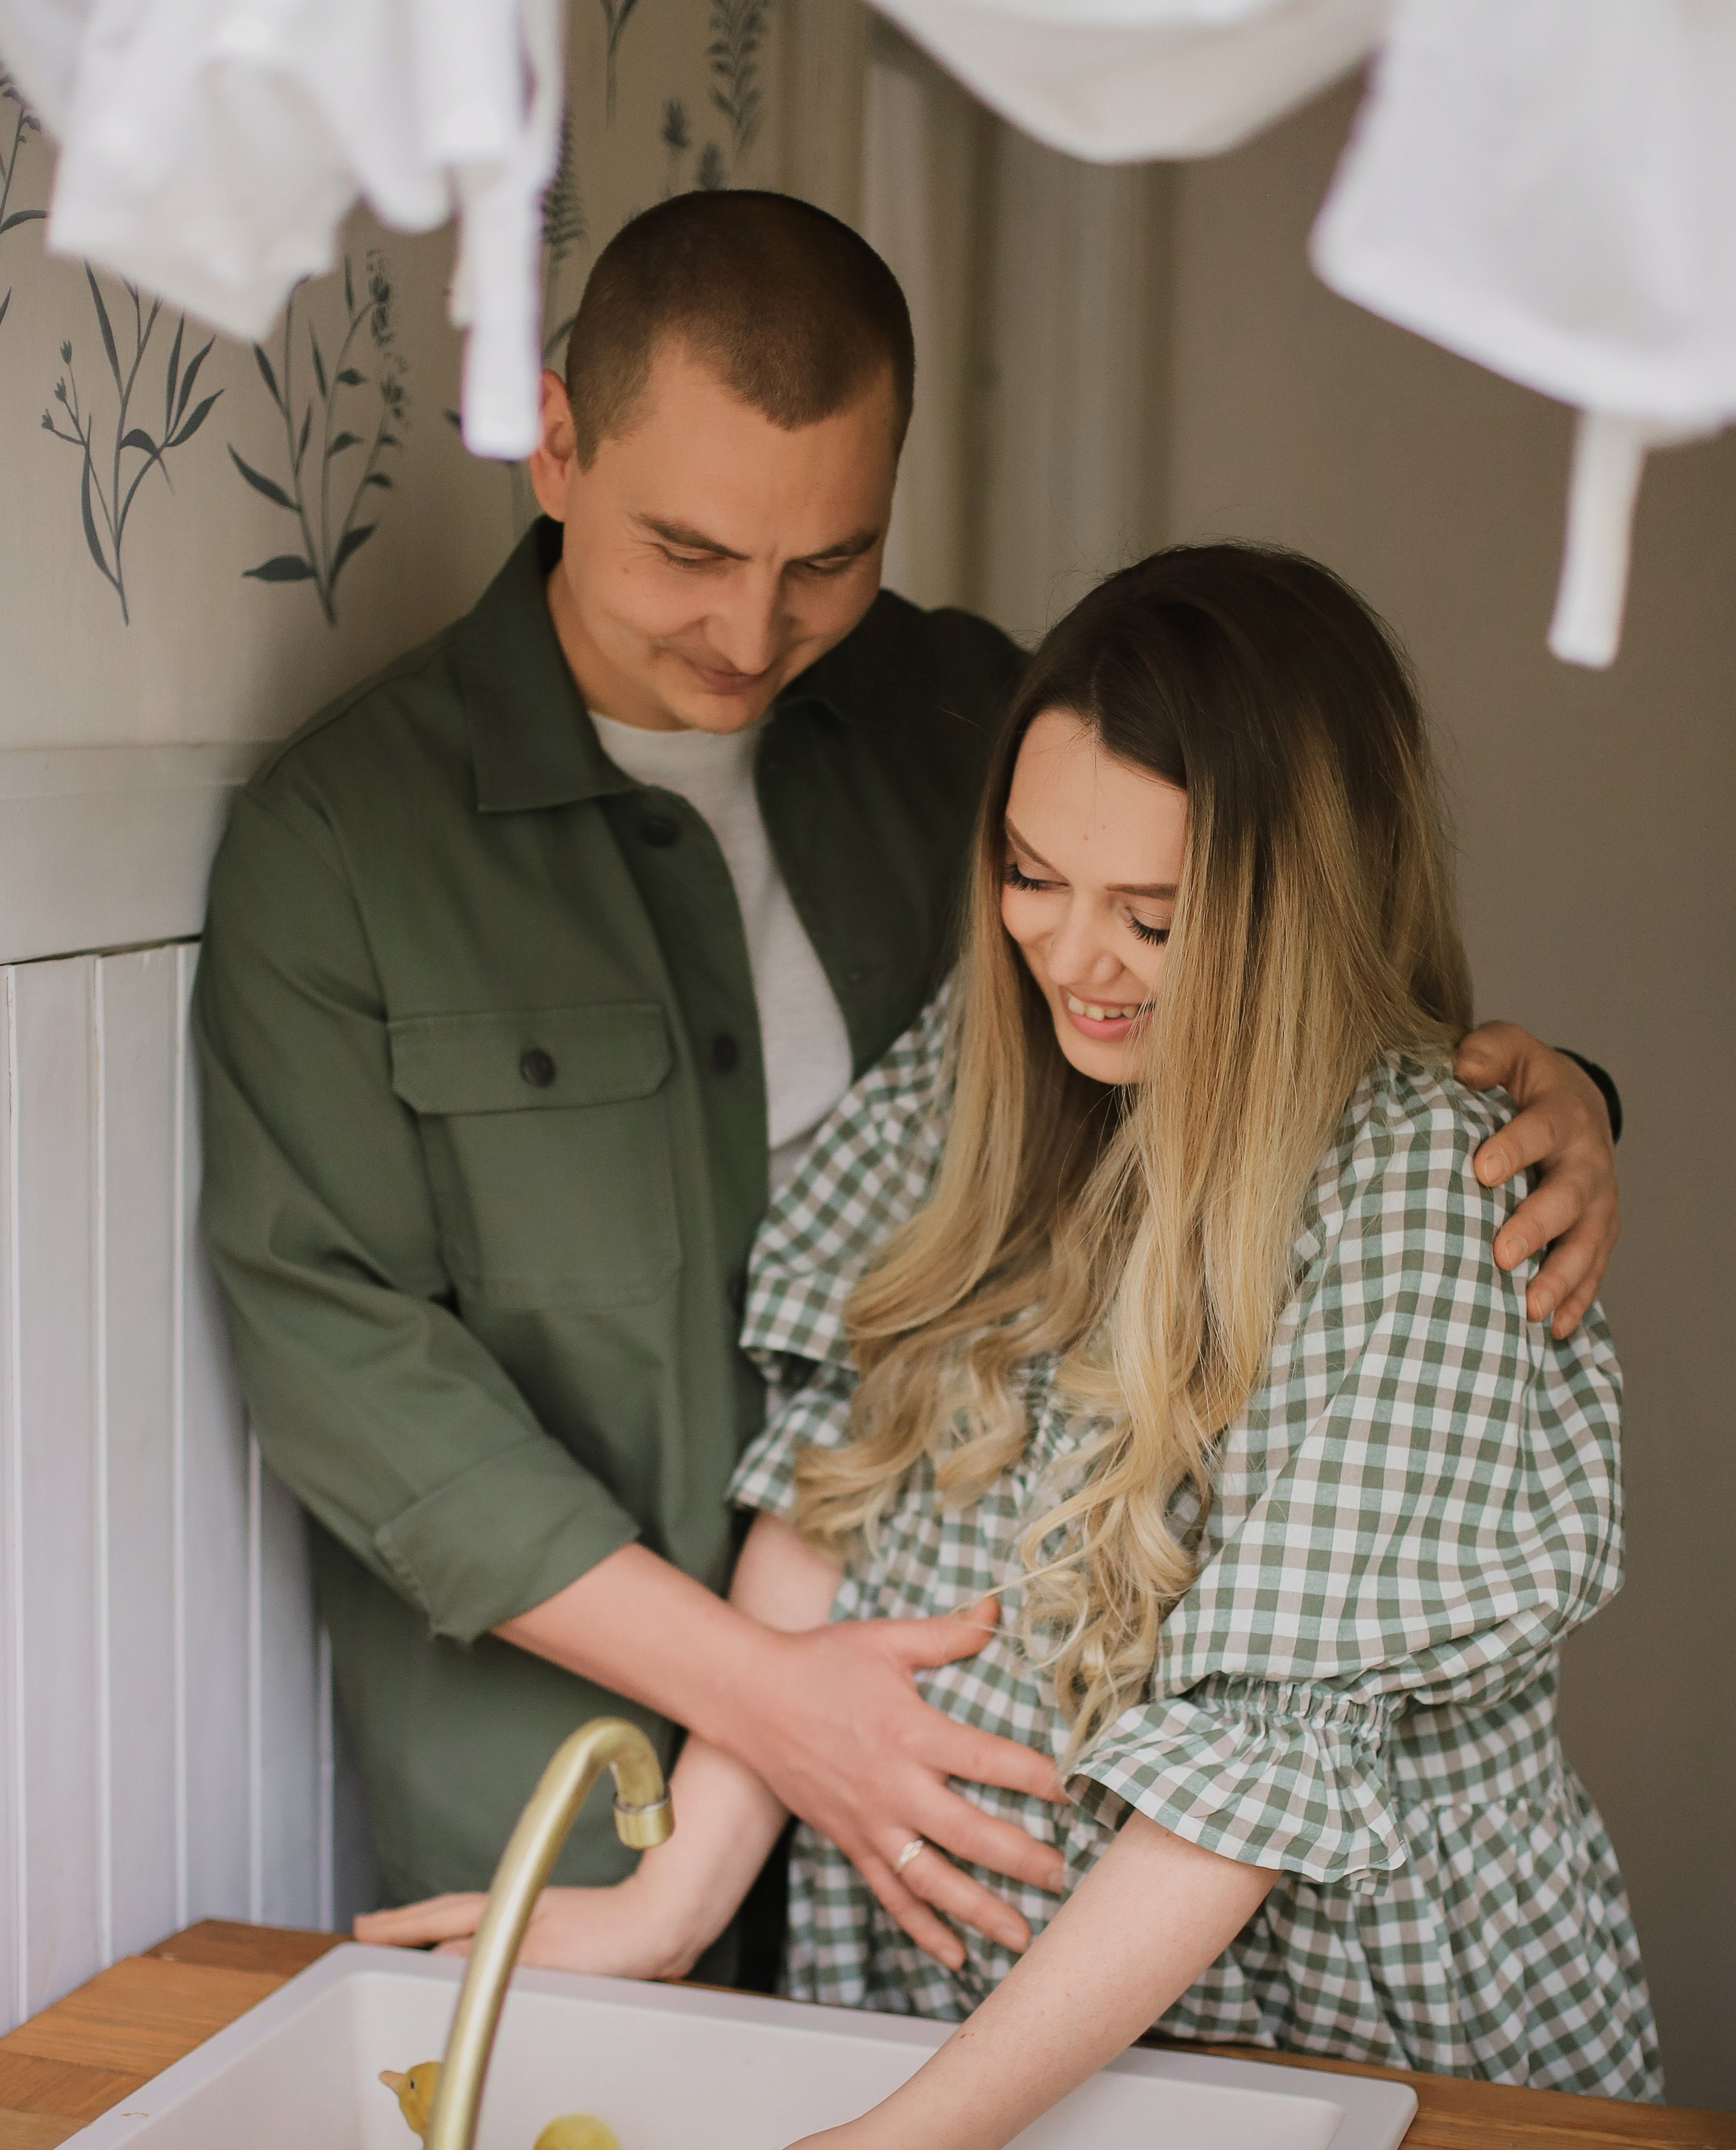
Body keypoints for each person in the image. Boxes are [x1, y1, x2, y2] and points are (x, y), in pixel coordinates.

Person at [195, 191, 1623, 1970]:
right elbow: (344, 1353)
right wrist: (774, 1704)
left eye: (826, 562)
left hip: (973, 1821)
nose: (751, 629)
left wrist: (1545, 1095)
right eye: (691, 553)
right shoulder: (343, 840)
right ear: (554, 445)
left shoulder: (975, 712)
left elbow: (1256, 981)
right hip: (582, 1761)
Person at [377, 546, 1658, 2150]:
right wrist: (680, 1892)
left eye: (1155, 910)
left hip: (1339, 2050)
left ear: (1299, 906)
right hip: (971, 2046)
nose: (1075, 954)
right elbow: (834, 1474)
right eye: (1036, 879)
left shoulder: (1424, 1204)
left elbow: (1244, 1789)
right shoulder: (992, 1077)